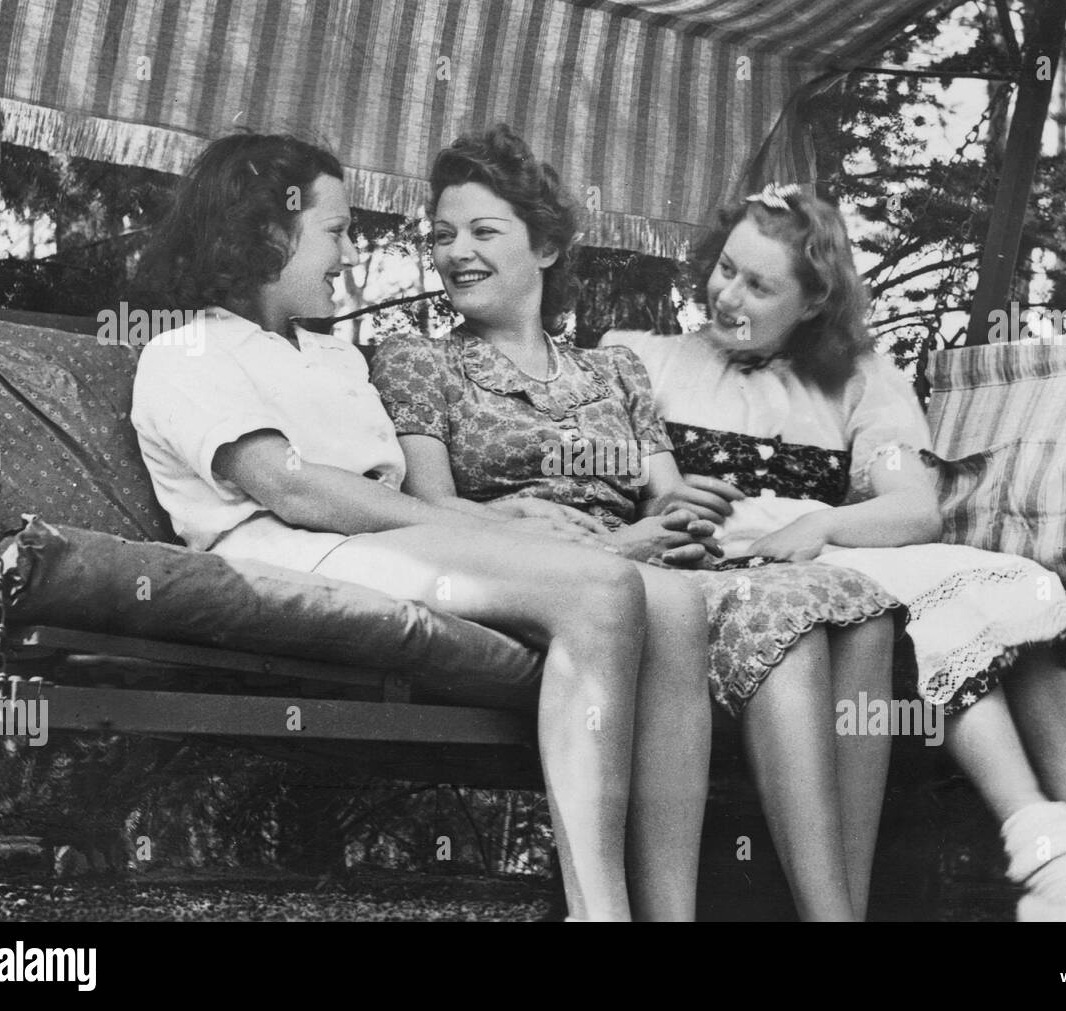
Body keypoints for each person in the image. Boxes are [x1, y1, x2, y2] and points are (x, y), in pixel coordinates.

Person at [128, 132, 717, 922]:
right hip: (290, 555)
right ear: (270, 230)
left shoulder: (329, 356)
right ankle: (599, 911)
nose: (347, 253)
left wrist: (498, 520)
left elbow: (397, 494)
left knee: (673, 606)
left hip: (383, 544)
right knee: (604, 590)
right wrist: (478, 530)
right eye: (335, 231)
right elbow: (290, 487)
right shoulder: (185, 349)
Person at [373, 125, 912, 921]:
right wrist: (613, 542)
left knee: (855, 604)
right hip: (539, 575)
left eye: (485, 231)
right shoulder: (421, 358)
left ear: (547, 245)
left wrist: (680, 509)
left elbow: (663, 499)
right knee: (712, 607)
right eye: (445, 234)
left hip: (651, 565)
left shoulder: (612, 369)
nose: (458, 252)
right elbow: (428, 506)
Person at [604, 181, 1066, 922]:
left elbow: (914, 507)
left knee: (1017, 587)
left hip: (836, 557)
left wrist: (823, 527)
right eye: (726, 268)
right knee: (946, 598)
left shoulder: (857, 380)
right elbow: (611, 490)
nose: (726, 294)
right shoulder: (645, 361)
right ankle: (1048, 853)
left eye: (759, 284)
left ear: (810, 303)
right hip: (748, 579)